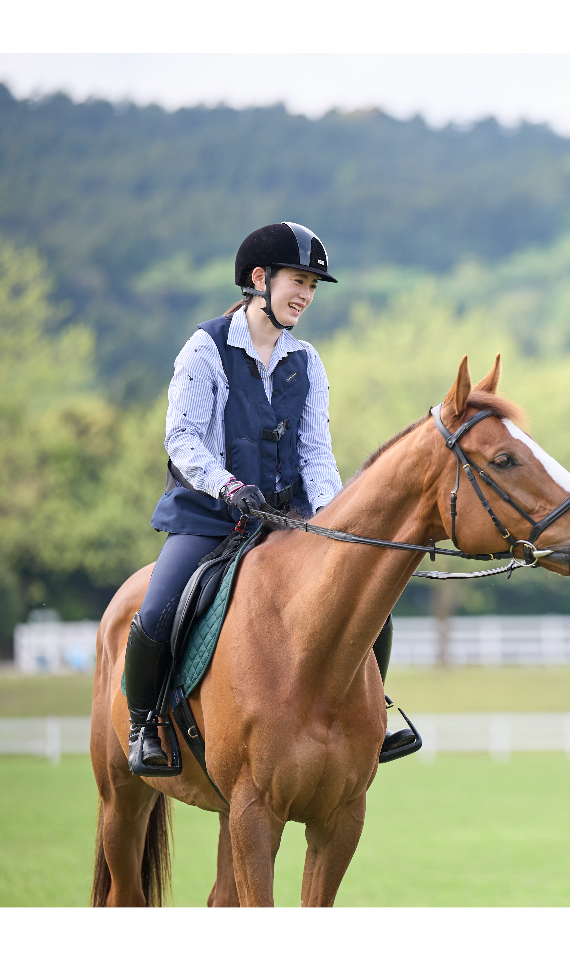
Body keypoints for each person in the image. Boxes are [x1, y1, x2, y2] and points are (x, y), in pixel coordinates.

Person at [123, 222, 416, 776]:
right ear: (260, 279)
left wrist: (334, 520)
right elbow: (182, 440)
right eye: (298, 281)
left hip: (287, 521)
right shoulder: (205, 348)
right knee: (157, 609)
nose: (306, 295)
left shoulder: (306, 360)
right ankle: (146, 725)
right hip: (209, 518)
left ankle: (369, 715)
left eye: (313, 285)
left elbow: (315, 454)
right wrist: (230, 486)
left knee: (371, 606)